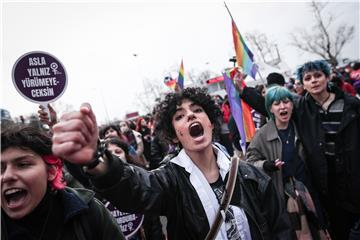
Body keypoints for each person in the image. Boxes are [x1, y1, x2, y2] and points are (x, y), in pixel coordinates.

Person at [51, 87, 291, 240]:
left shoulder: (249, 175)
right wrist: (96, 158)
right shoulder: (168, 179)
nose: (190, 115)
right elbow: (134, 187)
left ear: (210, 122)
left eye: (197, 110)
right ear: (175, 135)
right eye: (179, 116)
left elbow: (280, 229)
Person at [235, 60, 360, 239]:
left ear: (328, 77)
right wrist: (243, 91)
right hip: (325, 182)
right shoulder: (304, 107)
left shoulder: (350, 104)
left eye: (318, 75)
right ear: (303, 83)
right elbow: (271, 105)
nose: (314, 81)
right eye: (308, 78)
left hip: (352, 176)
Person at [1, 124, 124, 240]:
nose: (6, 176)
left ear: (50, 172)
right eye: (0, 168)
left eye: (22, 164)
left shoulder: (89, 212)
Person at [246, 86, 328, 238]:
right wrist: (266, 165)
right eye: (277, 103)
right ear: (270, 108)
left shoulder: (299, 127)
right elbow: (249, 162)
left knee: (319, 230)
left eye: (286, 102)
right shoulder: (262, 135)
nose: (283, 106)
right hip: (283, 197)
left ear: (292, 104)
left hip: (309, 191)